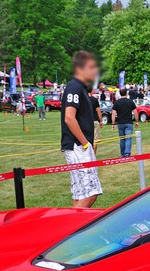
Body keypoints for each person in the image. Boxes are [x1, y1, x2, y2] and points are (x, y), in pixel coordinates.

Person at [61, 50, 102, 208]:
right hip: (77, 146)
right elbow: (69, 118)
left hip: (79, 145)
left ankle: (72, 228)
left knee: (80, 194)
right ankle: (72, 232)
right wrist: (85, 144)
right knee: (90, 193)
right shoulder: (74, 87)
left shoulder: (81, 88)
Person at [112, 87, 137, 157]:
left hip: (120, 123)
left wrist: (113, 123)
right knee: (128, 139)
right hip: (129, 122)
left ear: (120, 94)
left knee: (122, 139)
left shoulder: (117, 102)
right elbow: (135, 112)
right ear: (127, 93)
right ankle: (127, 153)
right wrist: (137, 121)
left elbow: (113, 113)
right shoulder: (130, 101)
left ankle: (122, 153)